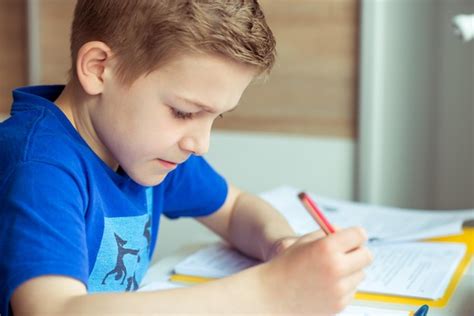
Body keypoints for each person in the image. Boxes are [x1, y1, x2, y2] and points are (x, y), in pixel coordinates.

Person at [0, 1, 372, 315]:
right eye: (183, 112)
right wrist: (268, 292)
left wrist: (280, 246)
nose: (201, 143)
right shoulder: (39, 167)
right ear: (99, 68)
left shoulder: (143, 146)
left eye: (216, 116)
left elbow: (236, 207)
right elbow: (53, 309)